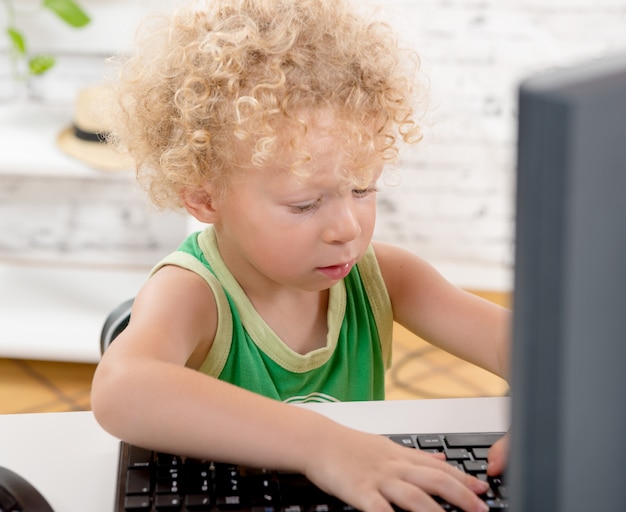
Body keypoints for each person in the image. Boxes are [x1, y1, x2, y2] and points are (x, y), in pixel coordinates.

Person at [91, 1, 510, 511]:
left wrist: (552, 409)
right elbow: (121, 390)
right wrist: (321, 444)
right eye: (305, 204)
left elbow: (524, 347)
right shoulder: (194, 293)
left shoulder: (385, 277)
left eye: (363, 189)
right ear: (204, 197)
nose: (347, 228)